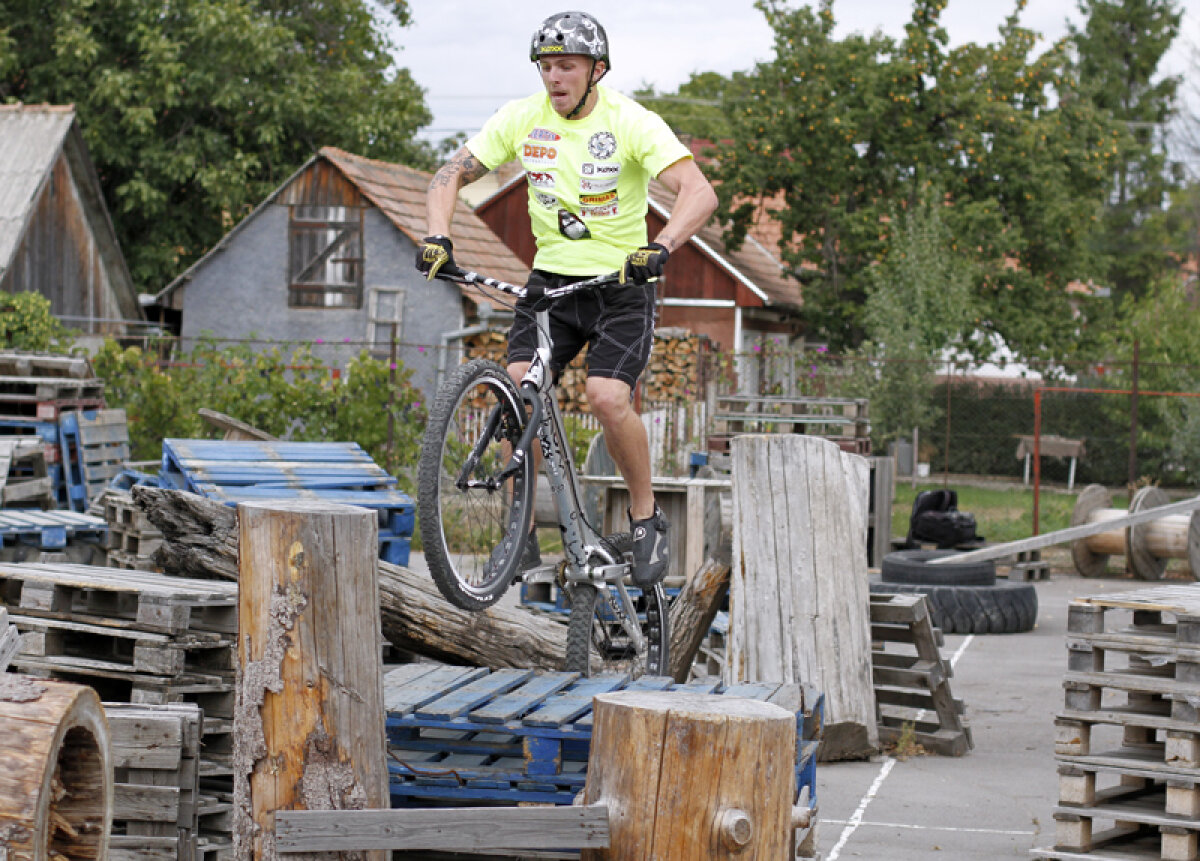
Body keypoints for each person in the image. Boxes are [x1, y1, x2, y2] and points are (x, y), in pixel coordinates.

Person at [417, 10, 718, 587]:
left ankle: (645, 514)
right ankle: (521, 527)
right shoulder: (522, 119)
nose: (555, 78)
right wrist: (438, 235)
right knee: (518, 392)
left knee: (607, 399)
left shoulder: (631, 120)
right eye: (546, 67)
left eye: (568, 67)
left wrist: (662, 244)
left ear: (596, 70)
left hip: (619, 289)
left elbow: (698, 192)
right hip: (550, 284)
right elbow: (450, 173)